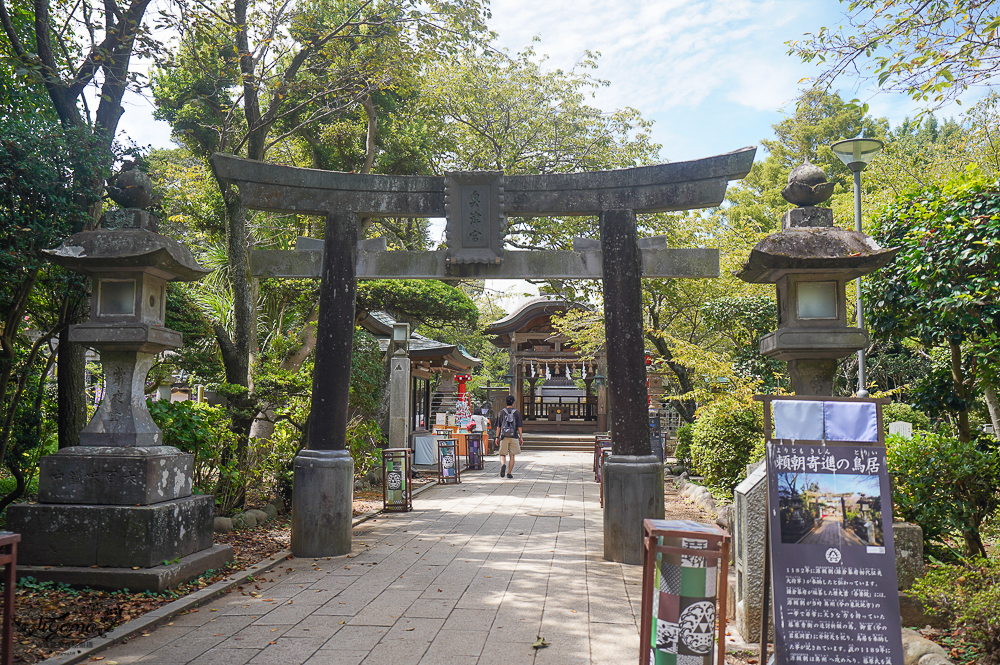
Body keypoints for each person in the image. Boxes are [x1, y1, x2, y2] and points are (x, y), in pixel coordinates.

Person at [493, 395, 522, 479]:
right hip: (514, 435)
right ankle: (509, 473)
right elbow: (519, 426)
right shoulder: (516, 413)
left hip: (503, 436)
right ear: (513, 402)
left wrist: (497, 437)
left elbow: (498, 426)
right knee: (512, 455)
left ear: (506, 402)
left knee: (502, 454)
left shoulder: (501, 412)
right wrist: (521, 437)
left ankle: (503, 464)